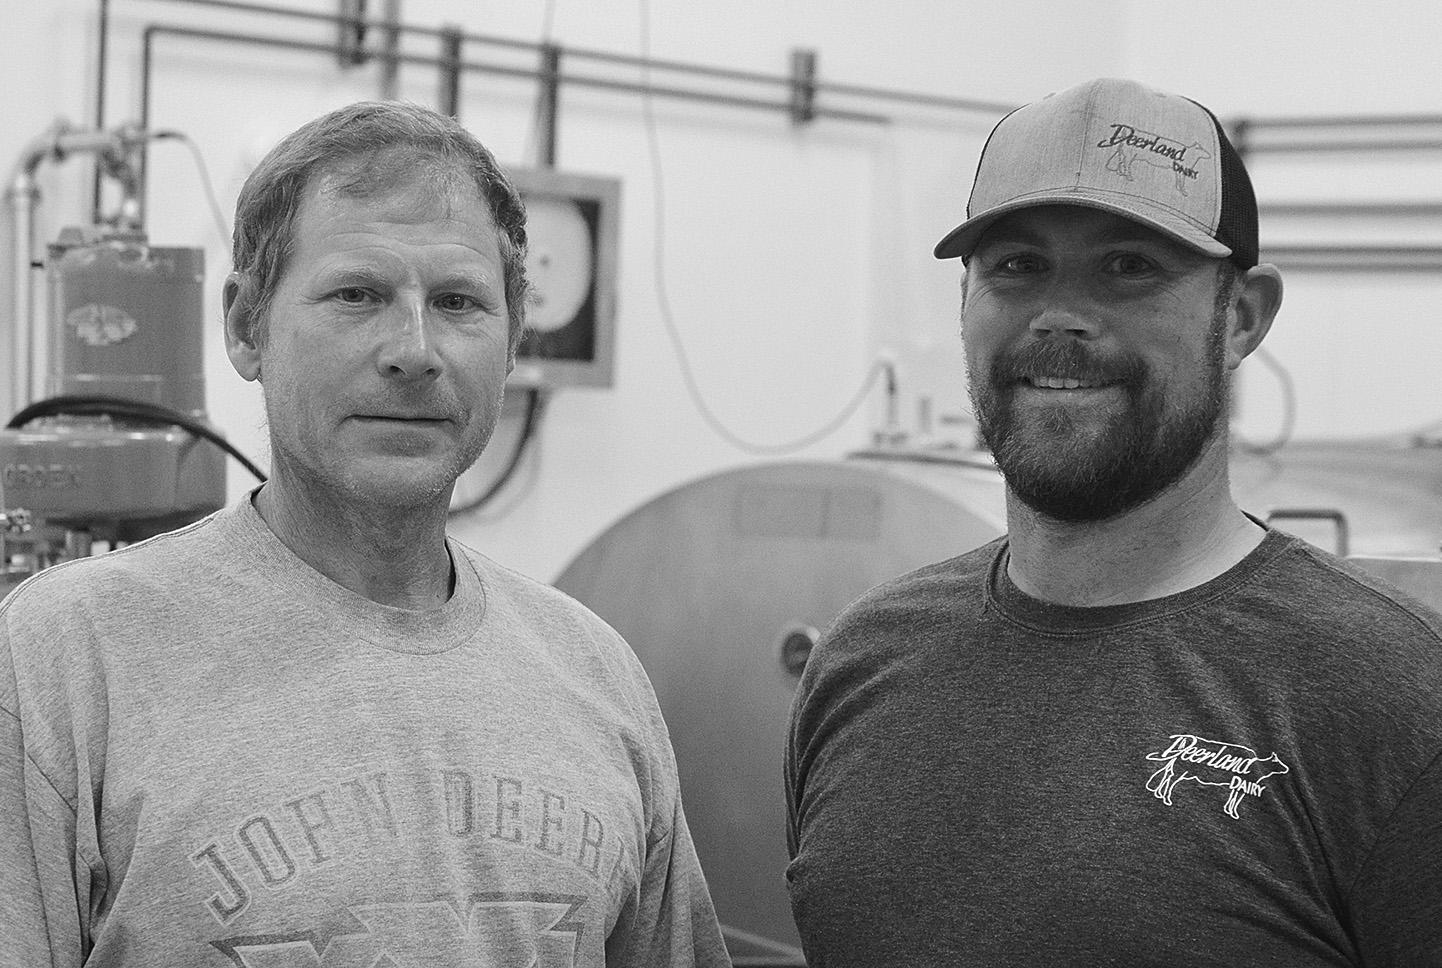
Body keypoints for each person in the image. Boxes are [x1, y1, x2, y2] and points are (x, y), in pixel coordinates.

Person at [1, 100, 730, 968]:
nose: (414, 350)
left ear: (511, 340)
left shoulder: (596, 673)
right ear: (245, 325)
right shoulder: (68, 660)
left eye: (458, 302)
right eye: (358, 295)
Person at [785, 78, 1442, 966]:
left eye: (1129, 266)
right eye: (1017, 265)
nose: (1060, 315)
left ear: (1242, 317)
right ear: (966, 299)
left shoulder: (1394, 699)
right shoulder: (864, 661)